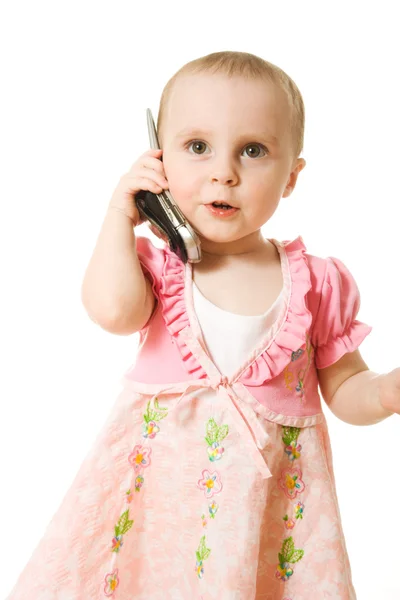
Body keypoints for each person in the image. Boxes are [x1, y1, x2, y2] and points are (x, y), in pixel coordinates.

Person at [7, 50, 400, 600]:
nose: (224, 171)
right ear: (159, 160)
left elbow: (345, 386)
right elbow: (113, 312)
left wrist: (383, 392)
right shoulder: (158, 266)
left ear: (292, 176)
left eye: (253, 150)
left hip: (266, 513)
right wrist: (121, 214)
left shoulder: (316, 281)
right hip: (159, 510)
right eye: (197, 147)